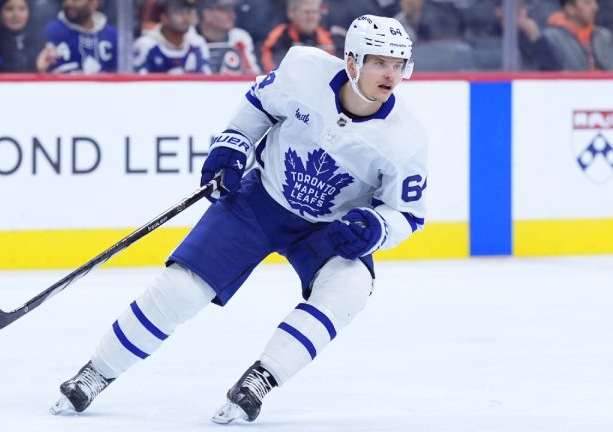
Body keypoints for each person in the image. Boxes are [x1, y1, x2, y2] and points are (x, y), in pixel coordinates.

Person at [49, 14, 428, 424]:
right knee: (181, 288)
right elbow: (259, 104)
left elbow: (407, 214)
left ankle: (261, 378)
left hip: (327, 231)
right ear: (352, 61)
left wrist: (377, 228)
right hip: (261, 201)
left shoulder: (406, 137)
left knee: (350, 287)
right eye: (379, 63)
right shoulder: (304, 70)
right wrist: (234, 143)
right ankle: (96, 372)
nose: (391, 75)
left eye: (398, 65)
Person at [36, 0, 117, 74]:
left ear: (93, 3)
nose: (69, 3)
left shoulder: (112, 35)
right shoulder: (53, 31)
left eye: (76, 0)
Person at [133, 0, 211, 74]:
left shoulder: (197, 43)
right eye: (179, 12)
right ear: (164, 18)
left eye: (188, 12)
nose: (185, 18)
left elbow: (206, 78)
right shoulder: (146, 45)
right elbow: (139, 80)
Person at [542, 0, 613, 70]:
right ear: (570, 9)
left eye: (595, 2)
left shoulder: (603, 36)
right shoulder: (551, 39)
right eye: (587, 3)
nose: (595, 7)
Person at [261, 0, 335, 72]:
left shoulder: (330, 39)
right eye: (306, 12)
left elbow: (334, 70)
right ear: (291, 13)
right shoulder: (278, 36)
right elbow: (269, 69)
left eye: (315, 12)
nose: (311, 17)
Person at [0, 0, 44, 72]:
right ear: (0, 12)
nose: (16, 15)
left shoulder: (39, 41)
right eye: (9, 9)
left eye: (22, 9)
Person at [196, 0, 259, 75]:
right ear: (206, 14)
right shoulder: (189, 37)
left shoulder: (240, 37)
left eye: (232, 9)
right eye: (225, 9)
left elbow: (252, 74)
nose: (232, 15)